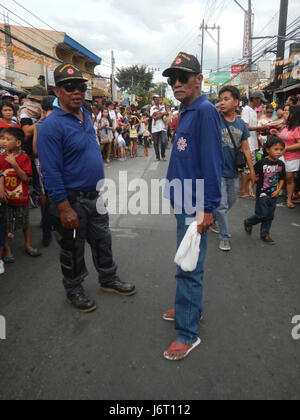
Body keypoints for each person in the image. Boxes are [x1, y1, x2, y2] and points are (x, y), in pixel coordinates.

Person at [37, 64, 136, 313]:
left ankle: (108, 278)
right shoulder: (51, 126)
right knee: (72, 249)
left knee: (103, 241)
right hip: (70, 200)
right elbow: (50, 172)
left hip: (95, 197)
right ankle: (74, 289)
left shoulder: (86, 116)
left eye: (81, 87)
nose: (77, 92)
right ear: (57, 91)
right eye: (69, 87)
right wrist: (63, 207)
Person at [161, 52, 224, 361]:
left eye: (182, 77)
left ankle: (187, 334)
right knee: (185, 260)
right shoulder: (188, 110)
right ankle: (190, 308)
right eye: (172, 78)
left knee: (189, 268)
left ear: (199, 78)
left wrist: (207, 207)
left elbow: (213, 163)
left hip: (195, 204)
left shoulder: (205, 111)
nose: (176, 83)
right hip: (183, 200)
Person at [214, 86, 255, 252]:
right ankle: (224, 237)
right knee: (222, 204)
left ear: (236, 102)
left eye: (226, 99)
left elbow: (246, 148)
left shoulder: (240, 124)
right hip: (217, 171)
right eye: (220, 99)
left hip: (234, 171)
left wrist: (251, 170)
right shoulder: (214, 120)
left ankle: (215, 218)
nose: (222, 103)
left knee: (231, 201)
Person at [0, 127, 41, 261]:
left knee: (25, 223)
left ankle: (27, 244)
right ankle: (7, 249)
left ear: (18, 143)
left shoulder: (24, 158)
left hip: (21, 198)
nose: (4, 142)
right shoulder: (0, 158)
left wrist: (14, 164)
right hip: (5, 199)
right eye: (2, 138)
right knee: (5, 225)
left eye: (8, 139)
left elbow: (26, 178)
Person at [244, 136, 286, 245]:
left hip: (273, 194)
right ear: (268, 150)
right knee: (261, 214)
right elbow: (253, 175)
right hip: (262, 193)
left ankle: (265, 234)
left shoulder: (281, 164)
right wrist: (250, 187)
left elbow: (282, 178)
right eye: (276, 149)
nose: (279, 152)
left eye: (281, 150)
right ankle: (248, 222)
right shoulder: (262, 163)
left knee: (270, 215)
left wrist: (278, 190)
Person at [33, 95, 56, 247]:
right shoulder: (62, 122)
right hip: (60, 165)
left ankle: (47, 235)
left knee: (47, 200)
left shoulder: (38, 125)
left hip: (43, 165)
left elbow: (35, 150)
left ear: (42, 109)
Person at [240, 91, 268, 199]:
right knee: (247, 169)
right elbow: (245, 127)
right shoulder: (247, 110)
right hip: (248, 143)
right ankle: (242, 190)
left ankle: (244, 189)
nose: (260, 103)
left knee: (250, 168)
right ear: (255, 98)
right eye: (260, 100)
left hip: (253, 143)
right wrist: (259, 128)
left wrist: (260, 132)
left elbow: (252, 128)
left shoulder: (253, 110)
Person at [272, 105, 300, 208]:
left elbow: (299, 143)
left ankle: (289, 199)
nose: (285, 114)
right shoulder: (287, 126)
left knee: (289, 179)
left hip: (291, 158)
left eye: (288, 112)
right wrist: (277, 134)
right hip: (282, 156)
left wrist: (286, 149)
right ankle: (281, 193)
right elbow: (285, 138)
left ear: (294, 115)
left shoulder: (297, 128)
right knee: (281, 176)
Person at [150, 95, 168, 161]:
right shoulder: (152, 108)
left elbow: (167, 114)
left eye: (156, 99)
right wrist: (162, 114)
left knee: (164, 141)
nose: (155, 101)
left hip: (162, 127)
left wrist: (160, 114)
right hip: (155, 128)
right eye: (154, 99)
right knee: (155, 143)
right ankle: (157, 157)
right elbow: (154, 117)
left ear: (159, 99)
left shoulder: (163, 106)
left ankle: (163, 155)